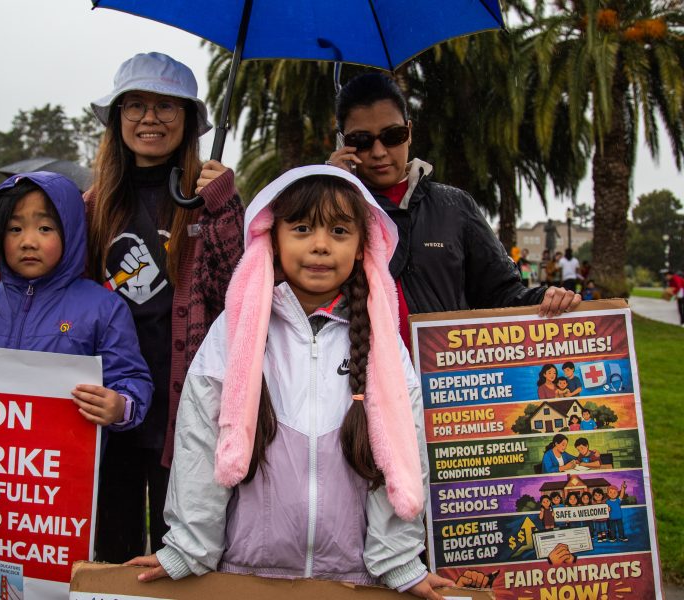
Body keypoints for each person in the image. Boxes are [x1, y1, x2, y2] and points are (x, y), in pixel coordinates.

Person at [127, 166, 454, 598]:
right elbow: (200, 440)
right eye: (301, 228)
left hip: (353, 581)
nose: (320, 245)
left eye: (339, 230)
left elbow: (402, 449)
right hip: (244, 577)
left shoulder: (381, 341)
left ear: (362, 247)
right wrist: (188, 547)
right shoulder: (238, 329)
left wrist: (398, 560)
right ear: (272, 238)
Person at [0, 173, 153, 515]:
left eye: (45, 228)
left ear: (72, 233)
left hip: (61, 493)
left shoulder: (103, 308)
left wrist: (120, 406)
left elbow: (132, 380)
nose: (28, 241)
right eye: (15, 229)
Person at [87, 52, 244, 561]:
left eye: (166, 107)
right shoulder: (91, 206)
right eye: (134, 105)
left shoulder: (210, 198)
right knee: (110, 547)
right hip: (108, 405)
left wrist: (222, 206)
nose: (149, 119)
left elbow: (239, 290)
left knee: (180, 553)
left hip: (186, 408)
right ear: (116, 119)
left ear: (190, 122)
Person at [327, 72, 579, 345]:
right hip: (356, 380)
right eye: (361, 141)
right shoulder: (329, 209)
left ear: (409, 132)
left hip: (444, 379)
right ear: (343, 144)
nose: (378, 152)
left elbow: (499, 293)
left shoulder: (455, 206)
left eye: (392, 135)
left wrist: (546, 298)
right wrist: (328, 191)